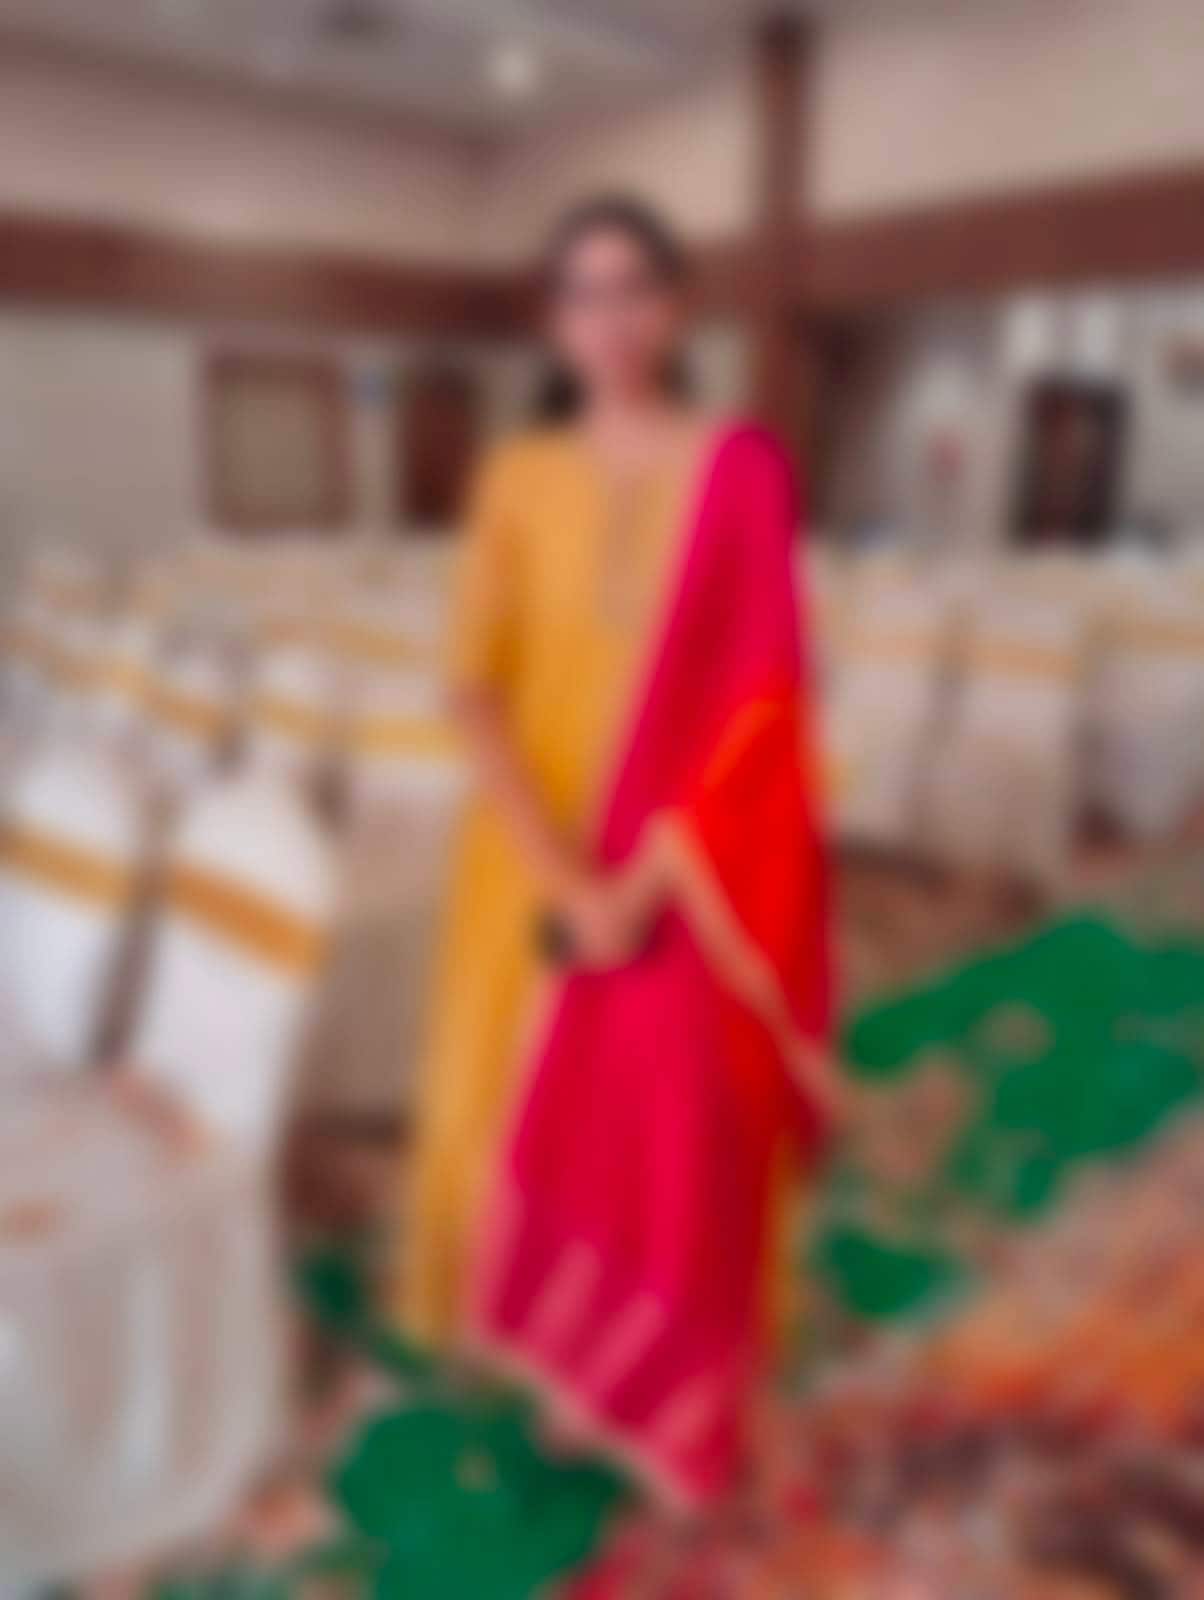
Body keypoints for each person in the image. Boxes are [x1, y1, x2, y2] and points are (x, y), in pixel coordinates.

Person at [398, 194, 837, 1510]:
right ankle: (576, 1366)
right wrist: (566, 881)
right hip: (536, 865)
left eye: (636, 286)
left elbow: (764, 698)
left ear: (678, 305)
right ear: (554, 320)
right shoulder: (515, 477)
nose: (612, 317)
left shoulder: (742, 469)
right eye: (583, 292)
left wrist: (640, 884)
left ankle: (679, 1383)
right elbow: (473, 689)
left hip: (691, 869)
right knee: (543, 1121)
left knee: (683, 1133)